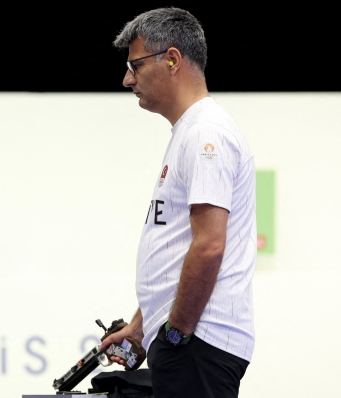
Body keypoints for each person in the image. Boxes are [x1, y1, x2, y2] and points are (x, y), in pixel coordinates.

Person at [98, 7, 256, 398]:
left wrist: (175, 331)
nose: (127, 79)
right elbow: (180, 248)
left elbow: (208, 245)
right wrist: (140, 326)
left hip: (197, 342)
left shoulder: (206, 133)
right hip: (189, 342)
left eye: (135, 65)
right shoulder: (190, 132)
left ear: (171, 59)